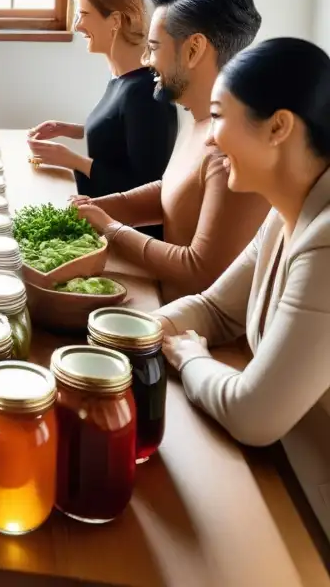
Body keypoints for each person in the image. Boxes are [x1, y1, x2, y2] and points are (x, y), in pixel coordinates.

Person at [154, 38, 330, 541]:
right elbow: (216, 310)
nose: (209, 139)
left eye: (218, 117)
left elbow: (254, 416)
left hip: (310, 520)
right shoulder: (285, 212)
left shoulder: (326, 241)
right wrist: (149, 331)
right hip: (279, 475)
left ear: (278, 127)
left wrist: (187, 357)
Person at [73, 0, 271, 302]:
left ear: (193, 50)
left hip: (194, 337)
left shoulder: (234, 147)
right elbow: (177, 189)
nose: (146, 61)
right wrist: (103, 207)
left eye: (153, 48)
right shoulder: (200, 118)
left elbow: (201, 270)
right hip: (162, 302)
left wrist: (109, 227)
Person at [28, 0, 178, 241]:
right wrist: (73, 130)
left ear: (115, 21)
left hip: (126, 236)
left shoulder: (145, 93)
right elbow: (122, 129)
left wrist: (71, 160)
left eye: (83, 15)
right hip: (101, 218)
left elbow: (142, 187)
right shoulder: (123, 80)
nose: (76, 26)